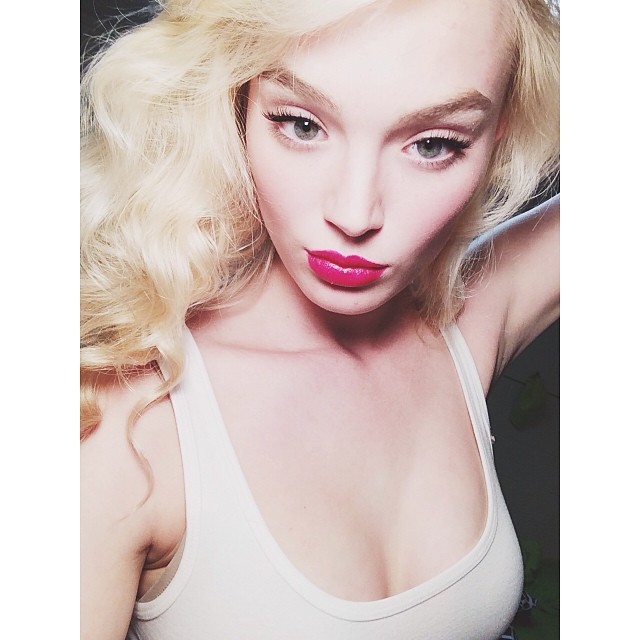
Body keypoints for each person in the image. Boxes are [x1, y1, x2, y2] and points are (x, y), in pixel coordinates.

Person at [80, 0, 559, 638]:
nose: (355, 214)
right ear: (235, 105)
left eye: (433, 143)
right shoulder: (130, 424)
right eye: (302, 125)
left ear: (498, 133)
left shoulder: (464, 324)